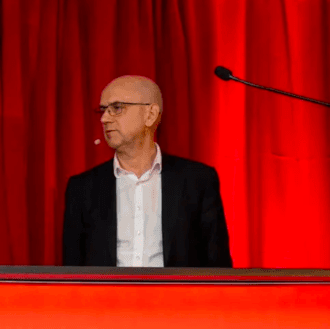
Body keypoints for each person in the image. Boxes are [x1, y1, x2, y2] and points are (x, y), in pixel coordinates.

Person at [62, 75, 231, 267]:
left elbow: (219, 268)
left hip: (175, 288)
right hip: (108, 288)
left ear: (150, 114)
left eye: (117, 108)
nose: (104, 119)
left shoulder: (198, 181)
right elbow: (72, 272)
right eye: (103, 110)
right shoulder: (82, 188)